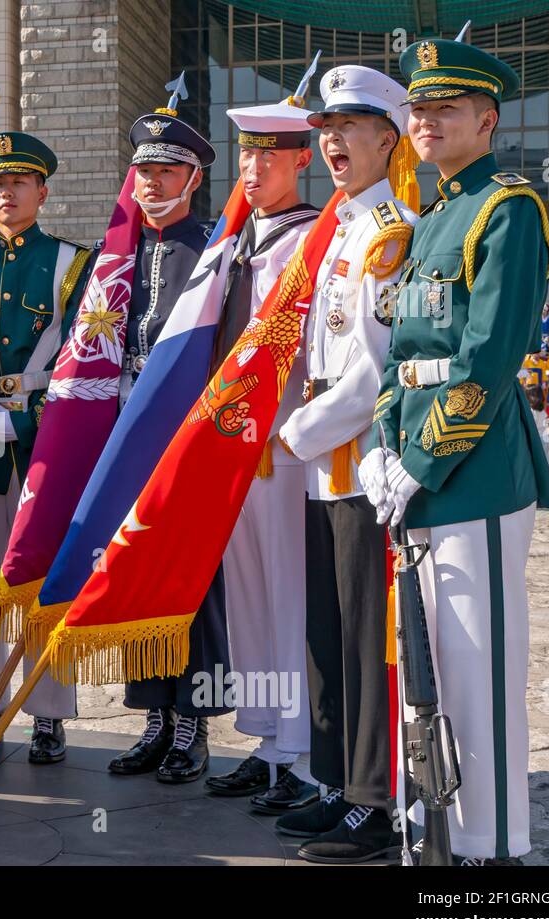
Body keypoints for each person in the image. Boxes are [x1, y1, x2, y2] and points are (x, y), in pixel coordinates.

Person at [364, 37, 549, 865]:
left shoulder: (506, 209)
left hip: (475, 473)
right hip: (417, 465)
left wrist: (422, 460)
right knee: (432, 663)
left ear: (487, 120)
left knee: (479, 668)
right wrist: (385, 445)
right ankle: (438, 824)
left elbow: (489, 357)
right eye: (418, 109)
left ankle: (491, 840)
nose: (426, 122)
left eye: (445, 109)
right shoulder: (433, 217)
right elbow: (400, 352)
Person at [273, 65, 418, 862]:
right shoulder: (338, 229)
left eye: (348, 128)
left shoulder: (390, 232)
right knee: (324, 631)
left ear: (387, 140)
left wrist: (293, 434)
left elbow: (375, 372)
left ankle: (373, 800)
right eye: (326, 129)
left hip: (361, 461)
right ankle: (333, 780)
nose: (332, 141)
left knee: (367, 640)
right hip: (320, 461)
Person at [189, 97, 321, 803]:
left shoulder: (313, 238)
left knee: (288, 598)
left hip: (283, 443)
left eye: (270, 155)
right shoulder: (238, 238)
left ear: (302, 160)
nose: (255, 167)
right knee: (249, 601)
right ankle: (268, 739)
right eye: (247, 153)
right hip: (230, 445)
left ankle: (303, 754)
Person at [102, 99, 234, 784]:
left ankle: (192, 721)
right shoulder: (116, 254)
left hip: (188, 435)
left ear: (193, 178)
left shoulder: (213, 250)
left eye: (167, 171)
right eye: (144, 171)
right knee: (138, 571)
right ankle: (153, 716)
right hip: (127, 433)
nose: (152, 183)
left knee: (192, 578)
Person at [0, 131, 92, 764]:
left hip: (40, 443)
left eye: (19, 182)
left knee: (41, 577)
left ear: (43, 192)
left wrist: (27, 420)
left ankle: (48, 712)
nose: (7, 194)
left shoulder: (72, 264)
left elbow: (84, 363)